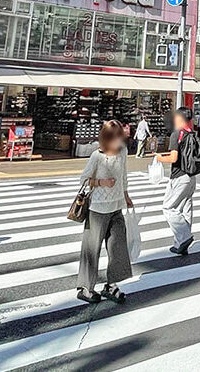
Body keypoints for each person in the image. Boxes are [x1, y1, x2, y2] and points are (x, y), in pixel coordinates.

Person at [77, 120, 133, 304]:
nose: (120, 141)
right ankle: (86, 288)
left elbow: (123, 175)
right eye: (117, 138)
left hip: (116, 206)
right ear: (108, 138)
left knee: (117, 248)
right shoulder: (97, 156)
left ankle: (111, 285)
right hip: (98, 208)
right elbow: (84, 180)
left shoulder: (123, 152)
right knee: (91, 249)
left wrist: (126, 195)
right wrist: (101, 183)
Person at [156, 107, 197, 255]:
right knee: (185, 208)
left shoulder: (176, 134)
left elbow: (174, 158)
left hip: (179, 176)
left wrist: (160, 158)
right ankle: (180, 243)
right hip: (191, 176)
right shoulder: (191, 134)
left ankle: (184, 237)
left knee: (169, 208)